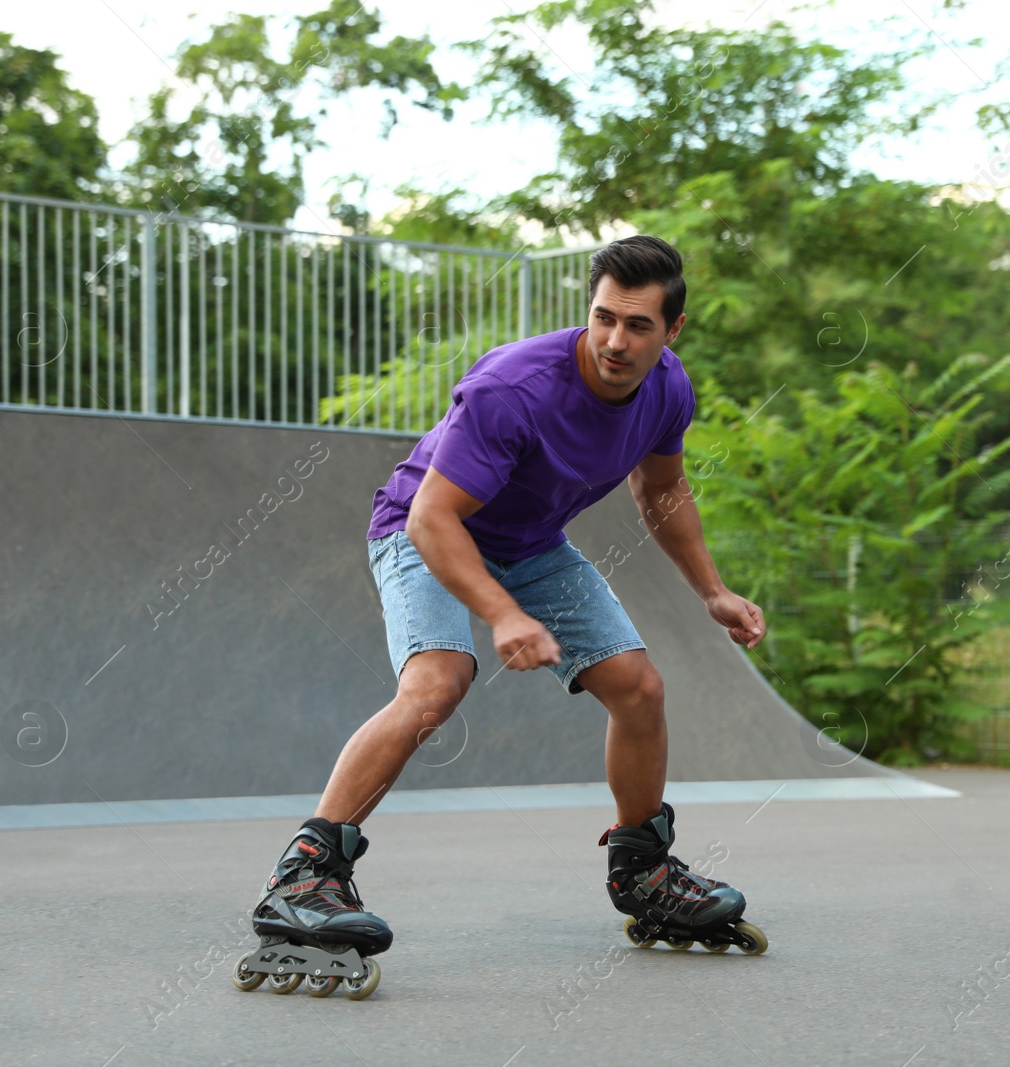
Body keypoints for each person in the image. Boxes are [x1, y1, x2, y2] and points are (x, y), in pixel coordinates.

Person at [248, 235, 768, 965]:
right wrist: (501, 612)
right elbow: (433, 516)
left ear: (672, 330)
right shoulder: (516, 385)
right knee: (437, 683)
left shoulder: (668, 389)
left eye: (639, 325)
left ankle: (643, 867)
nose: (616, 341)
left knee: (639, 687)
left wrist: (712, 590)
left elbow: (658, 488)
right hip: (424, 527)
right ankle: (303, 875)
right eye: (604, 317)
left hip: (529, 543)